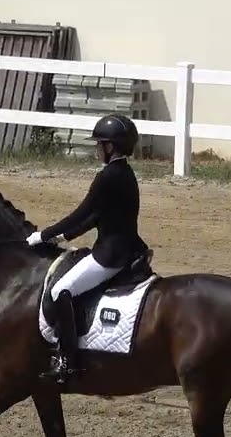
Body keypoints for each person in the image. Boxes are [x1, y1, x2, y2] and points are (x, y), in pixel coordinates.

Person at [26, 113, 150, 382]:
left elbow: (81, 213)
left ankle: (69, 360)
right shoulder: (125, 173)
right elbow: (93, 217)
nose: (96, 149)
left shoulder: (107, 177)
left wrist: (45, 235)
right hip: (128, 247)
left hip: (110, 255)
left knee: (61, 291)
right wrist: (59, 237)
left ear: (110, 146)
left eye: (99, 144)